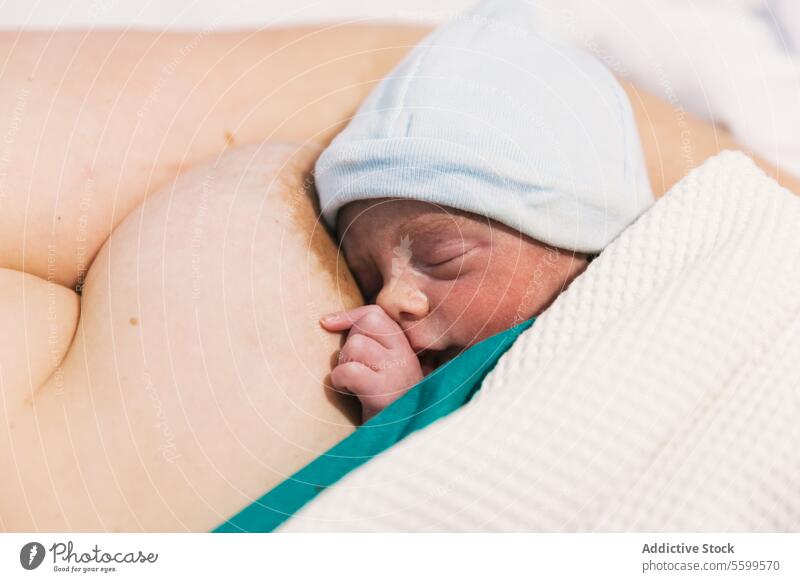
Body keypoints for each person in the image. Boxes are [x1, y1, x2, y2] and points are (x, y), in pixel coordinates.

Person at [0, 18, 797, 531]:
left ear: (580, 237)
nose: (393, 295)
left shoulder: (644, 305)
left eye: (443, 256)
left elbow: (521, 475)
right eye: (366, 269)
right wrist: (405, 400)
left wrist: (406, 405)